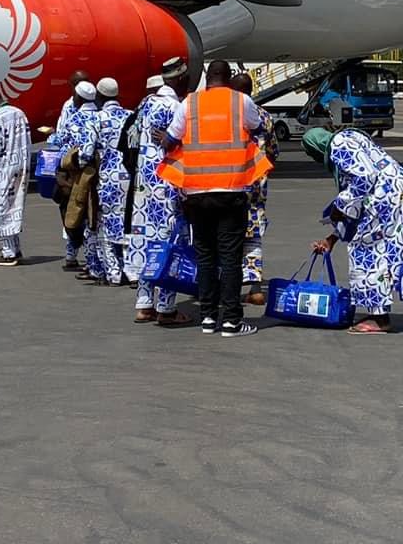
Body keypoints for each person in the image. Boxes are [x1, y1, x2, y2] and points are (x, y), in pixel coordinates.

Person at [158, 59, 271, 336]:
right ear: (229, 77)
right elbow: (258, 129)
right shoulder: (241, 101)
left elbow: (171, 139)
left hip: (196, 192)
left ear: (207, 77)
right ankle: (231, 320)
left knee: (205, 257)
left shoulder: (189, 104)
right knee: (231, 258)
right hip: (232, 191)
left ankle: (208, 317)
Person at [304, 126, 403, 334]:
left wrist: (340, 205)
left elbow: (364, 179)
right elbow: (356, 205)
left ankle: (379, 318)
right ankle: (379, 312)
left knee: (368, 253)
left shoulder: (338, 144)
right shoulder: (352, 136)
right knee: (385, 252)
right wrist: (332, 238)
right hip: (397, 194)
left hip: (384, 199)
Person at [130, 73, 186, 323]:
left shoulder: (144, 106)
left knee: (145, 244)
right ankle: (166, 307)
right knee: (168, 246)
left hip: (143, 189)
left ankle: (143, 304)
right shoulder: (176, 107)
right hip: (167, 185)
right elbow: (181, 144)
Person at [232, 69, 275, 308]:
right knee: (254, 235)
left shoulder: (228, 114)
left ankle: (227, 284)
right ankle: (256, 288)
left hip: (229, 184)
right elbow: (272, 153)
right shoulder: (265, 117)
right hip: (257, 185)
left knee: (227, 236)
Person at [48, 80, 99, 272]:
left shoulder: (75, 119)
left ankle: (72, 255)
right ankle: (95, 260)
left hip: (76, 175)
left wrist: (52, 136)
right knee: (94, 216)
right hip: (101, 174)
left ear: (78, 98)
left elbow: (58, 141)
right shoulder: (100, 116)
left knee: (73, 212)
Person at [88, 76, 134, 285]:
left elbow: (86, 153)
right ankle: (133, 272)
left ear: (99, 95)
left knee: (106, 226)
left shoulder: (97, 119)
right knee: (129, 224)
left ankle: (114, 274)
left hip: (108, 179)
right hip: (130, 178)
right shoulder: (131, 116)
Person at [0, 83, 30, 266]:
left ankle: (8, 253)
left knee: (1, 211)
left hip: (4, 169)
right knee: (14, 209)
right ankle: (15, 249)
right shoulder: (19, 113)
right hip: (21, 167)